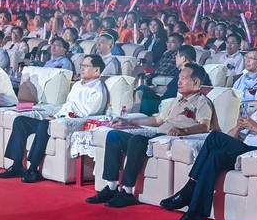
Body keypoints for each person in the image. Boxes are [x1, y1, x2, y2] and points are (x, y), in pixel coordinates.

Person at [160, 77, 257, 220]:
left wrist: (255, 128)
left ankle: (189, 187)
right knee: (215, 154)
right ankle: (195, 214)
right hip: (243, 152)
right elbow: (231, 138)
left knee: (214, 136)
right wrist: (239, 127)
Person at [87, 62, 212, 208]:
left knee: (137, 140)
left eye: (183, 78)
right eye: (179, 78)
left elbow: (205, 126)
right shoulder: (177, 101)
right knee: (114, 135)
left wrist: (184, 131)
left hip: (168, 140)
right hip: (157, 137)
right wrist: (127, 121)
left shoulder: (202, 101)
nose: (178, 81)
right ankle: (111, 187)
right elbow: (157, 120)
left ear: (196, 82)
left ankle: (127, 192)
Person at [0, 54, 110, 182]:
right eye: (81, 65)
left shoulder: (98, 89)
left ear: (97, 70)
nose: (82, 69)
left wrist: (58, 118)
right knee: (20, 121)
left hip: (74, 124)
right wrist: (55, 115)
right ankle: (17, 165)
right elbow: (67, 105)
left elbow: (87, 113)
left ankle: (33, 169)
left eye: (86, 66)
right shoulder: (78, 85)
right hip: (59, 119)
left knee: (44, 124)